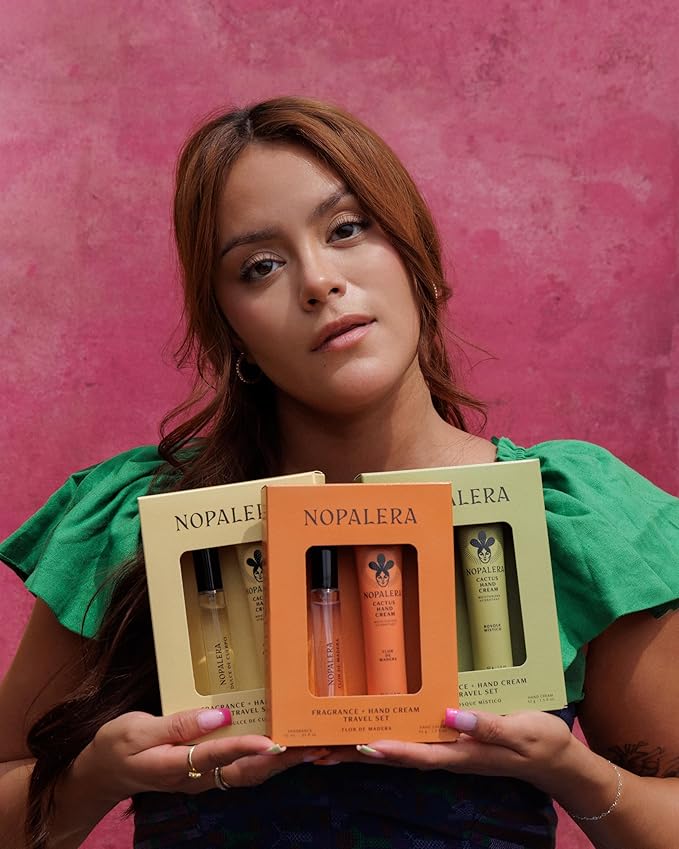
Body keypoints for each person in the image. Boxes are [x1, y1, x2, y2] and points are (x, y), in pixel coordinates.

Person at [1, 96, 677, 849]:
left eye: (347, 229)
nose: (318, 281)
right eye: (260, 266)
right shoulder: (138, 521)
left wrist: (575, 775)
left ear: (414, 252)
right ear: (230, 329)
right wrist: (91, 778)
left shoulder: (572, 518)